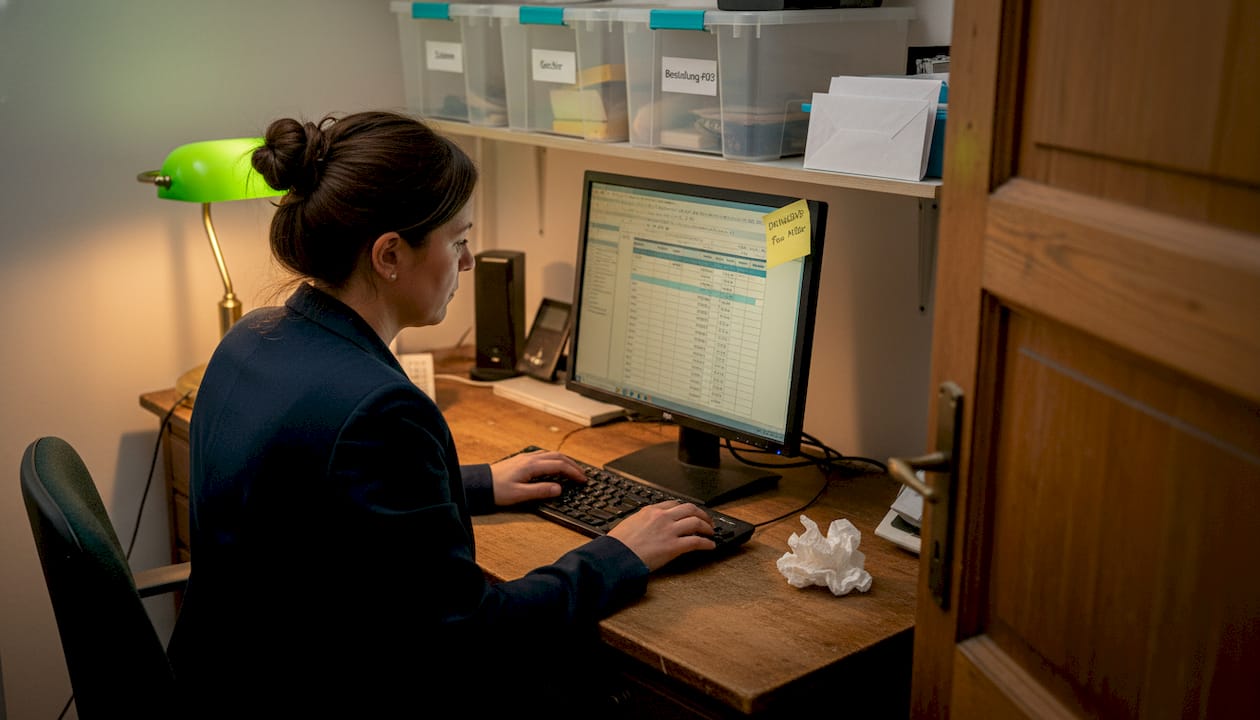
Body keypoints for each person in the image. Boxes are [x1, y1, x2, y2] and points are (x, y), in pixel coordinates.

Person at [166, 110, 717, 717]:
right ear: (390, 255)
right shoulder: (381, 411)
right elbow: (471, 634)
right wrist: (619, 554)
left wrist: (479, 483)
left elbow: (315, 495)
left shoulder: (250, 339)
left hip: (223, 686)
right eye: (458, 241)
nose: (469, 261)